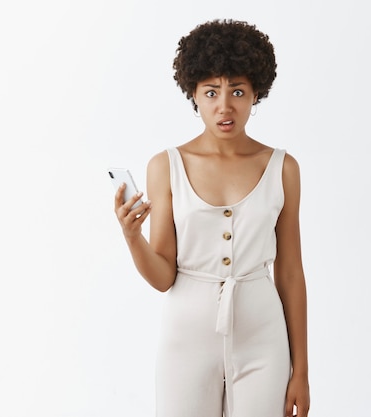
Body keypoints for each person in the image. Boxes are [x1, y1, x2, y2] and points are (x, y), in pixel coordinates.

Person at [114, 19, 310, 417]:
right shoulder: (166, 166)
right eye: (211, 92)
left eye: (238, 91)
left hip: (263, 340)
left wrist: (301, 371)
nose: (225, 106)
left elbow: (290, 271)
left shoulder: (282, 167)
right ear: (194, 95)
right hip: (186, 341)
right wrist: (133, 238)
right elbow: (163, 276)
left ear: (256, 93)